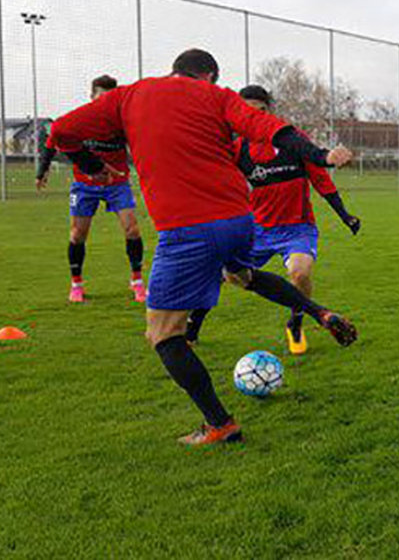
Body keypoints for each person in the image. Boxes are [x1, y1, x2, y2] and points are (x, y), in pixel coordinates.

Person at [49, 48, 358, 446]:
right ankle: (318, 311)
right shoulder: (219, 97)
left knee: (162, 333)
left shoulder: (129, 95)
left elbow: (59, 131)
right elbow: (270, 128)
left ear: (175, 70)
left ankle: (219, 423)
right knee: (241, 275)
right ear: (210, 76)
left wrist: (87, 162)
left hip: (186, 230)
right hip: (239, 219)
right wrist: (320, 155)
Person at [183, 85, 360, 355]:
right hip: (257, 230)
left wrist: (345, 215)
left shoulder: (292, 141)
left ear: (270, 112)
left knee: (300, 273)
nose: (255, 117)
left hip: (297, 228)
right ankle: (192, 330)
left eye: (261, 111)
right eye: (248, 112)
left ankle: (296, 323)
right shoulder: (237, 149)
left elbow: (321, 181)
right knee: (221, 273)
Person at [36, 75, 146, 303]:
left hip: (117, 183)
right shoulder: (80, 120)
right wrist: (43, 169)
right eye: (101, 98)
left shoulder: (121, 122)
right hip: (85, 185)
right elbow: (53, 139)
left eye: (109, 99)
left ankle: (137, 281)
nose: (105, 103)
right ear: (92, 97)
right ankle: (76, 284)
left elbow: (141, 144)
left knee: (132, 230)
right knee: (77, 235)